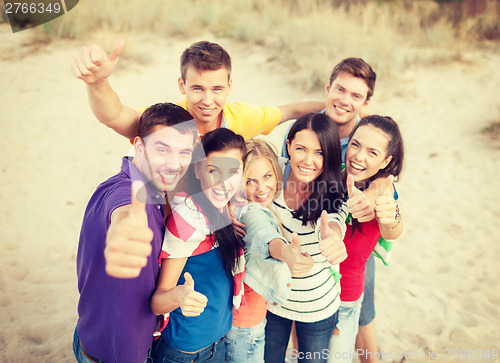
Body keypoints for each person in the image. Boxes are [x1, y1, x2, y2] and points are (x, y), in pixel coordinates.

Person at [74, 103, 198, 363]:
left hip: (99, 335)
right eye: (162, 149)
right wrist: (123, 232)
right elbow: (123, 213)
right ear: (139, 147)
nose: (175, 164)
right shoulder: (124, 192)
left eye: (184, 152)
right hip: (115, 355)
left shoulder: (158, 190)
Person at [71, 39, 324, 140]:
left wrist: (341, 108)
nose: (207, 100)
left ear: (229, 86)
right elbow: (113, 116)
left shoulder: (242, 117)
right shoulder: (163, 121)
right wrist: (97, 83)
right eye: (197, 88)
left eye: (217, 89)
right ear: (182, 85)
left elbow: (293, 109)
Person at [149, 128, 247, 363]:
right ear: (198, 169)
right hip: (185, 351)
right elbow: (157, 301)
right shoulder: (187, 219)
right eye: (214, 170)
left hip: (219, 338)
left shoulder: (223, 208)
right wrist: (179, 296)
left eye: (233, 171)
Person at [263, 113, 349, 363]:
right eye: (301, 148)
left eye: (319, 153)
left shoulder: (335, 192)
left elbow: (333, 223)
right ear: (288, 145)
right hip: (273, 300)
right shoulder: (271, 173)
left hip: (316, 307)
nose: (308, 160)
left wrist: (332, 239)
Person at [225, 139, 315, 362]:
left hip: (246, 322)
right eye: (250, 181)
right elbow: (263, 233)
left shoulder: (232, 208)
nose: (262, 188)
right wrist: (284, 251)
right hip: (245, 327)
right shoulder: (250, 211)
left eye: (267, 176)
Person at [327, 115, 404, 362]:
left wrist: (382, 212)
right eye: (356, 145)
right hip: (311, 292)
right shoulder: (330, 174)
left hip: (346, 297)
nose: (359, 157)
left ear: (386, 161)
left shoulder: (382, 186)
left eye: (373, 152)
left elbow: (392, 227)